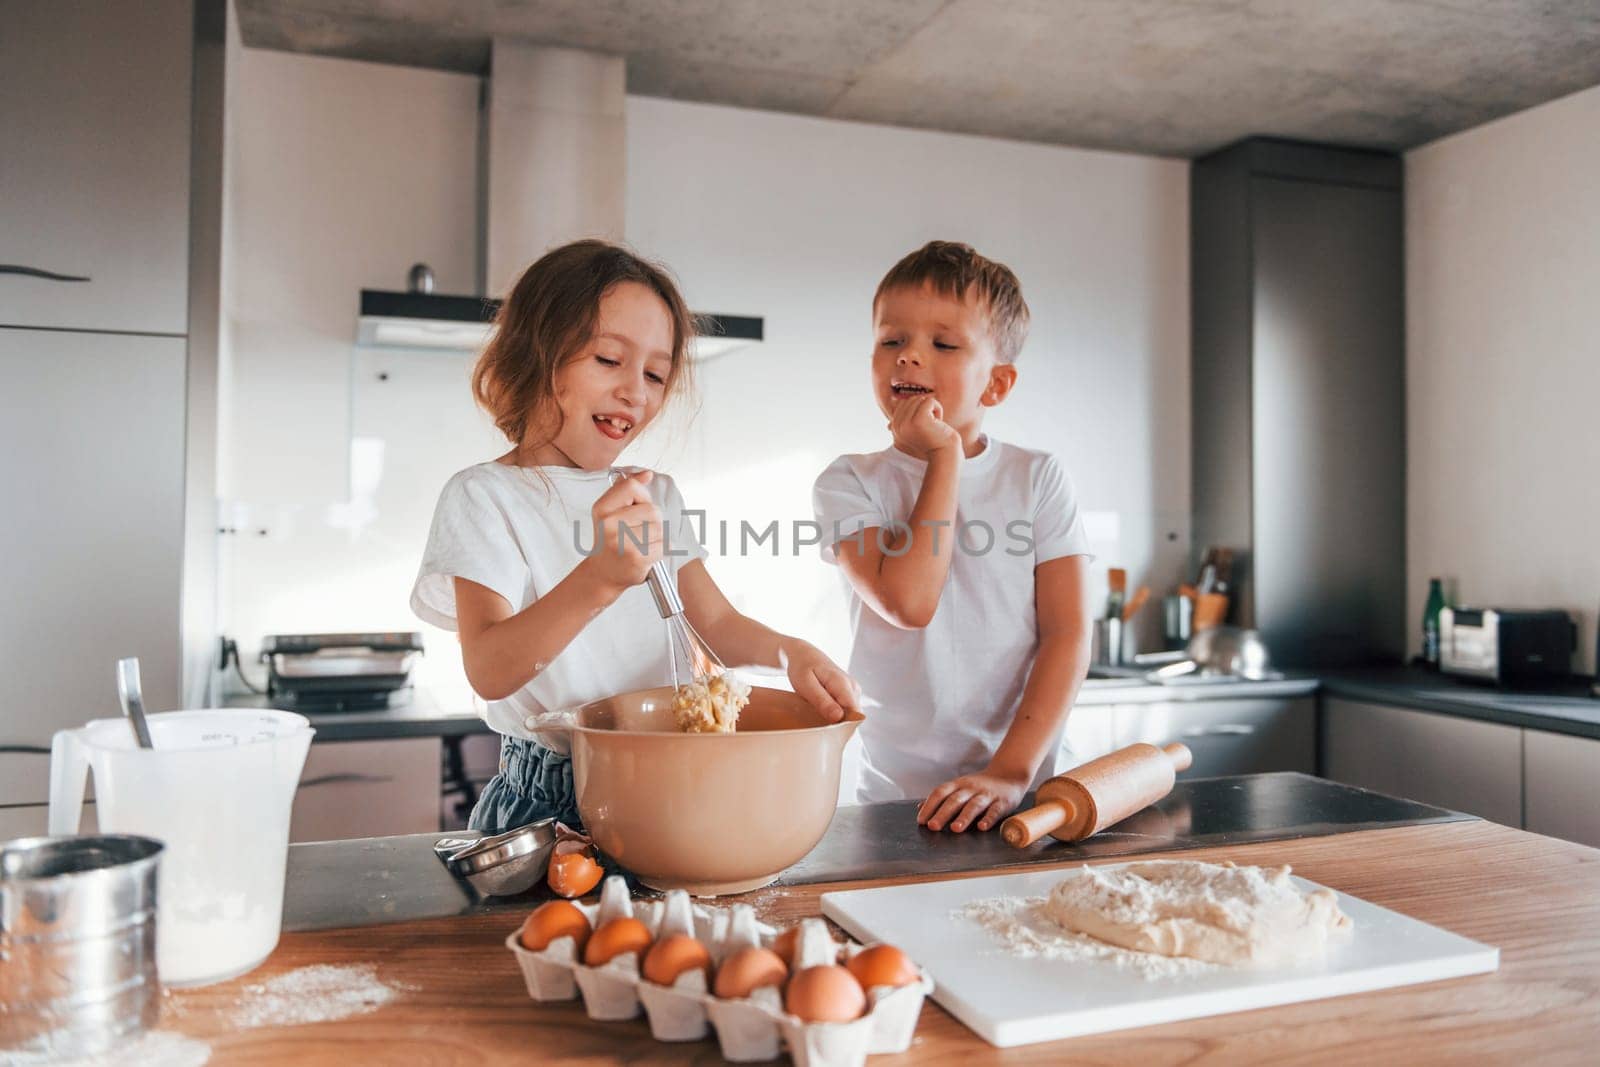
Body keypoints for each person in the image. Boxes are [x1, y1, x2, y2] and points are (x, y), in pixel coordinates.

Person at [413, 239, 859, 834]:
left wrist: (791, 653)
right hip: (550, 804)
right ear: (537, 354)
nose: (636, 392)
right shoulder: (485, 497)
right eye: (608, 360)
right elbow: (490, 669)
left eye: (655, 373)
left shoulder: (655, 496)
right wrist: (599, 579)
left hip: (667, 786)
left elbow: (715, 626)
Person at [812, 240, 1093, 833]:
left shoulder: (1037, 478)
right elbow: (910, 603)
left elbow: (1067, 634)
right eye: (892, 340)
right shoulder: (847, 482)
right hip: (896, 801)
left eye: (943, 344)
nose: (909, 357)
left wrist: (1011, 772)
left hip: (1027, 791)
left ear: (996, 385)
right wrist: (944, 458)